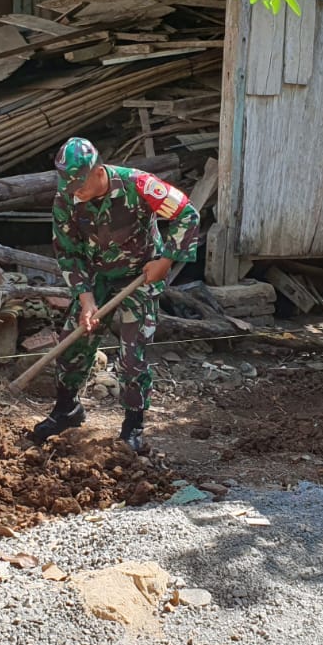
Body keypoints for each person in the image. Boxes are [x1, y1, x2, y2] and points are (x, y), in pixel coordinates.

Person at [30, 138, 201, 453]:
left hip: (138, 277)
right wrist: (86, 300)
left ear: (98, 171)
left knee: (132, 358)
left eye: (80, 183)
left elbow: (187, 215)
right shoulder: (66, 199)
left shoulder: (139, 185)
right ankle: (67, 410)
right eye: (68, 185)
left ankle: (133, 427)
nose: (74, 191)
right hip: (97, 278)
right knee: (74, 342)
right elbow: (68, 253)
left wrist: (165, 260)